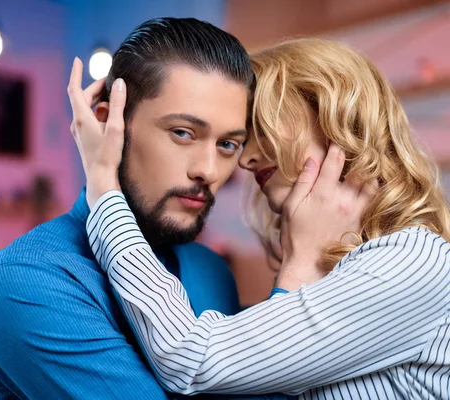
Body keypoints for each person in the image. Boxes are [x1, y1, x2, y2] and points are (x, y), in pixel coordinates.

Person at [70, 37, 450, 399]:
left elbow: (192, 357)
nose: (246, 160)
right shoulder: (341, 266)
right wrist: (300, 265)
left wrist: (104, 188)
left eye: (264, 127)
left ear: (334, 115)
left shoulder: (412, 262)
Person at [0, 17, 282, 399]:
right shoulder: (25, 280)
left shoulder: (211, 270)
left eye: (228, 144)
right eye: (183, 133)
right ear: (106, 124)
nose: (209, 171)